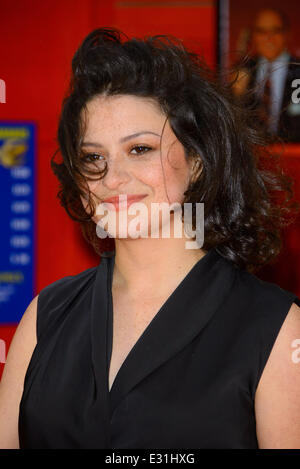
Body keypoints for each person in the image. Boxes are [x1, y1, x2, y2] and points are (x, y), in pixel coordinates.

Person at [0, 27, 300, 449]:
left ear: (196, 161)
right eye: (93, 158)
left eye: (139, 149)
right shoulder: (46, 316)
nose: (113, 178)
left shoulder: (274, 327)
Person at [232, 8, 300, 142]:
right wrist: (236, 95)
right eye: (261, 31)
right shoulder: (243, 70)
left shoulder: (298, 70)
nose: (269, 38)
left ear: (287, 34)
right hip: (254, 153)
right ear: (253, 36)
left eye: (276, 31)